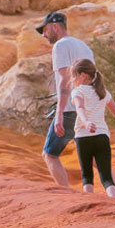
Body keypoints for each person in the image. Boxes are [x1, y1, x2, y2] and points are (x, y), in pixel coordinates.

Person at [36, 11, 96, 187]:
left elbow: (64, 79)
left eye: (45, 30)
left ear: (55, 26)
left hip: (70, 109)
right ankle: (113, 192)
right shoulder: (84, 47)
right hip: (89, 107)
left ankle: (67, 195)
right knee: (93, 156)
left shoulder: (60, 46)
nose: (44, 35)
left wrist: (60, 114)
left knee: (50, 154)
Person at [69, 58, 115, 198]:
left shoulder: (78, 91)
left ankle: (89, 204)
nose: (72, 79)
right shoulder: (103, 92)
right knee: (106, 175)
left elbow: (80, 108)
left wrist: (86, 122)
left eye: (73, 76)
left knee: (87, 175)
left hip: (83, 136)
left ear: (82, 75)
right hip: (102, 136)